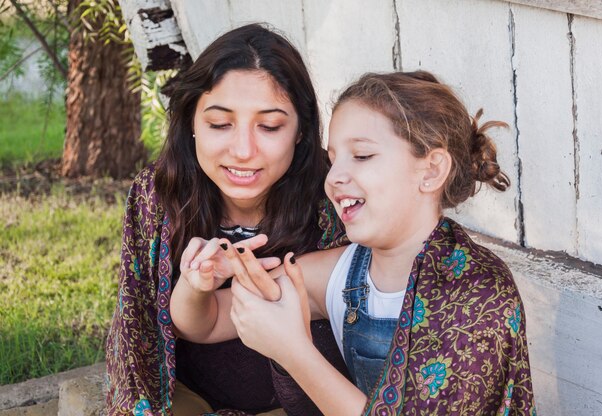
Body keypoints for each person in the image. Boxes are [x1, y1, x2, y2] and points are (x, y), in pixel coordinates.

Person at [175, 70, 536, 415]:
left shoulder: (479, 291)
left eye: (361, 156)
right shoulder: (345, 272)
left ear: (431, 170)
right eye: (333, 160)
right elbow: (207, 323)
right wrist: (198, 283)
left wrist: (293, 351)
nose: (334, 178)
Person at [105, 23, 350, 416]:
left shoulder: (335, 194)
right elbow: (146, 321)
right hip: (186, 394)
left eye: (269, 126)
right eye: (220, 124)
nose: (242, 150)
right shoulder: (160, 193)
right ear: (191, 124)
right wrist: (197, 282)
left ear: (301, 130)